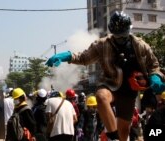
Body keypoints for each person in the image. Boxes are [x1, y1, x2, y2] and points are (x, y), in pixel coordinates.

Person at [45, 11, 165, 141]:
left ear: (129, 30)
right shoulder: (102, 45)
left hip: (129, 91)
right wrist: (66, 56)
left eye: (124, 36)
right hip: (110, 85)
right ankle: (113, 137)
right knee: (101, 96)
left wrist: (155, 76)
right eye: (118, 37)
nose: (121, 39)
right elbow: (84, 57)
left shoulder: (139, 45)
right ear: (112, 32)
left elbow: (154, 65)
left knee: (124, 131)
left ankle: (119, 137)